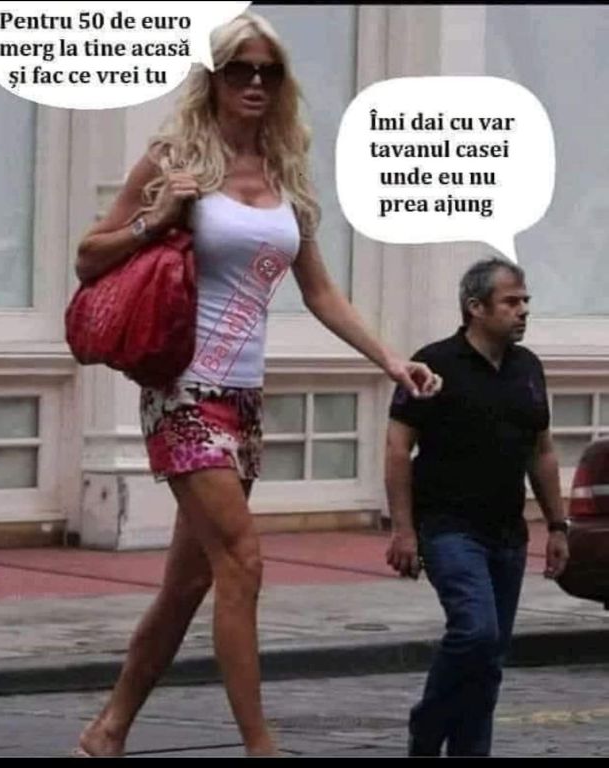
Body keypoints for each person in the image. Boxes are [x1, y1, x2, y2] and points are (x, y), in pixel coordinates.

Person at [74, 11, 441, 758]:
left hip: (243, 400)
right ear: (213, 79)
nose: (254, 83)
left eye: (268, 72)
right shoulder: (175, 158)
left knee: (189, 584)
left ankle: (107, 731)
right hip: (182, 391)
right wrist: (157, 219)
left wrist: (390, 360)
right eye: (239, 69)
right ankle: (260, 746)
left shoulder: (284, 174)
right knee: (243, 560)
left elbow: (321, 292)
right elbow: (89, 257)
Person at [385, 257, 569, 757]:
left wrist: (557, 526)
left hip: (508, 533)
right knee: (475, 632)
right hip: (448, 528)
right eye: (511, 302)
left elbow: (542, 451)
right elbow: (398, 448)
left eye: (525, 301)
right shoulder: (433, 363)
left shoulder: (528, 368)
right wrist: (403, 530)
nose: (523, 310)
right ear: (475, 307)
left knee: (489, 661)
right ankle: (427, 726)